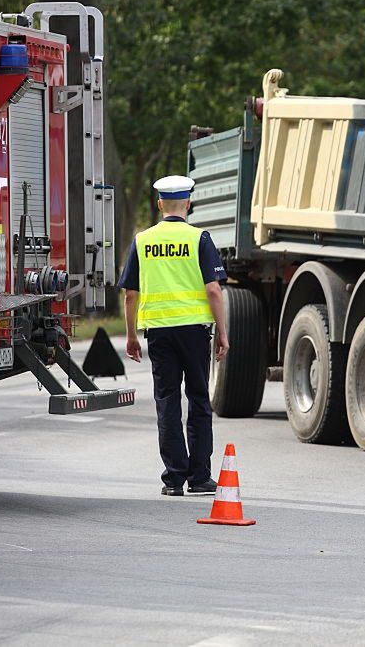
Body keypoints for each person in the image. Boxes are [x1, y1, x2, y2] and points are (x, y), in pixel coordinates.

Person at [118, 175, 230, 496]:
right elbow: (213, 289)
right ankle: (199, 478)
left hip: (160, 335)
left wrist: (131, 336)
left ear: (159, 205)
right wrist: (222, 332)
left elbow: (130, 293)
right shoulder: (200, 240)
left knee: (167, 402)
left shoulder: (142, 241)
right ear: (188, 204)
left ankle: (173, 479)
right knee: (198, 400)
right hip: (195, 333)